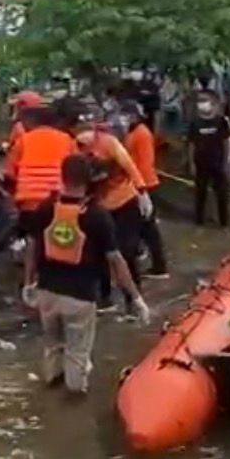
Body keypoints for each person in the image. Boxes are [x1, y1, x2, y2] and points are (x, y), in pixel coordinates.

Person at [22, 154, 150, 396]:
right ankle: (72, 406)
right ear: (90, 179)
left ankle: (50, 391)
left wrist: (28, 283)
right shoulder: (98, 216)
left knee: (52, 348)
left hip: (47, 293)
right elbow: (116, 261)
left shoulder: (46, 207)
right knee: (77, 356)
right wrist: (135, 297)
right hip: (80, 298)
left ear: (62, 175)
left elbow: (31, 246)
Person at [73, 106, 152, 315]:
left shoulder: (110, 144)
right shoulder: (74, 149)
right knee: (97, 253)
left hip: (124, 199)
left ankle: (133, 299)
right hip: (98, 205)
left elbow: (130, 167)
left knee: (126, 251)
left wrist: (143, 192)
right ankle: (105, 297)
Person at [7, 103, 76, 237]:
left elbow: (9, 172)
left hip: (28, 200)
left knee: (30, 239)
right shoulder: (67, 140)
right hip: (57, 199)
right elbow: (75, 169)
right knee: (55, 238)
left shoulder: (23, 140)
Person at [121, 101, 168, 279]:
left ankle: (159, 265)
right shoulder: (133, 132)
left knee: (149, 228)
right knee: (143, 227)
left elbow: (145, 163)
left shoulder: (142, 133)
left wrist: (141, 189)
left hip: (144, 185)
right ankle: (151, 260)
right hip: (138, 183)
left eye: (127, 116)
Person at [186, 90, 230, 227]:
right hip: (201, 163)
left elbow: (227, 142)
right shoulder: (194, 123)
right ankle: (199, 221)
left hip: (218, 163)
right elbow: (191, 144)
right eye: (200, 101)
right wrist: (191, 164)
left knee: (222, 194)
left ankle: (224, 222)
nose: (202, 104)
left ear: (213, 104)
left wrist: (227, 162)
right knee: (200, 193)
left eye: (205, 101)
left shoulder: (221, 121)